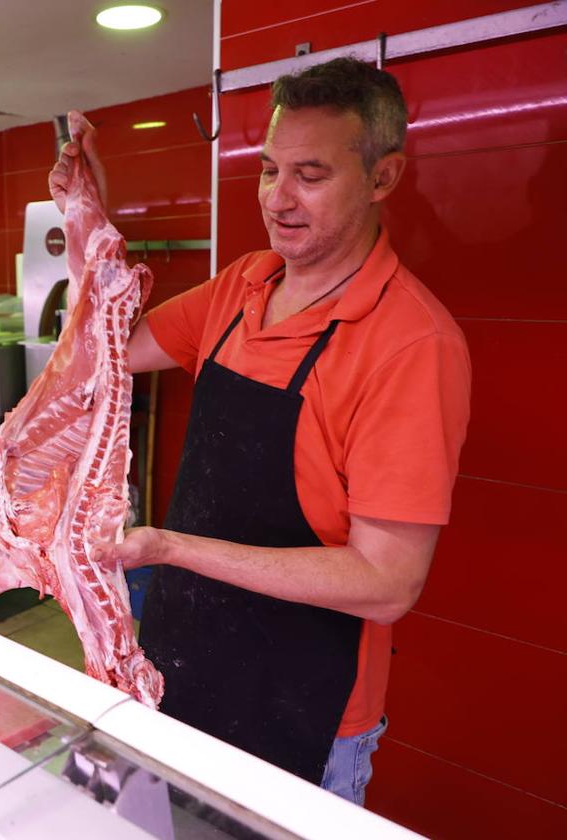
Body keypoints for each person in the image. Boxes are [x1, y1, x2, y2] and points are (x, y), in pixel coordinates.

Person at [49, 58, 471, 805]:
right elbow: (104, 352)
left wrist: (168, 547)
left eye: (310, 173)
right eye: (269, 169)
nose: (279, 198)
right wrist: (87, 223)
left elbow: (386, 582)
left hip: (301, 706)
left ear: (383, 177)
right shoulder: (245, 283)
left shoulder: (411, 342)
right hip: (176, 663)